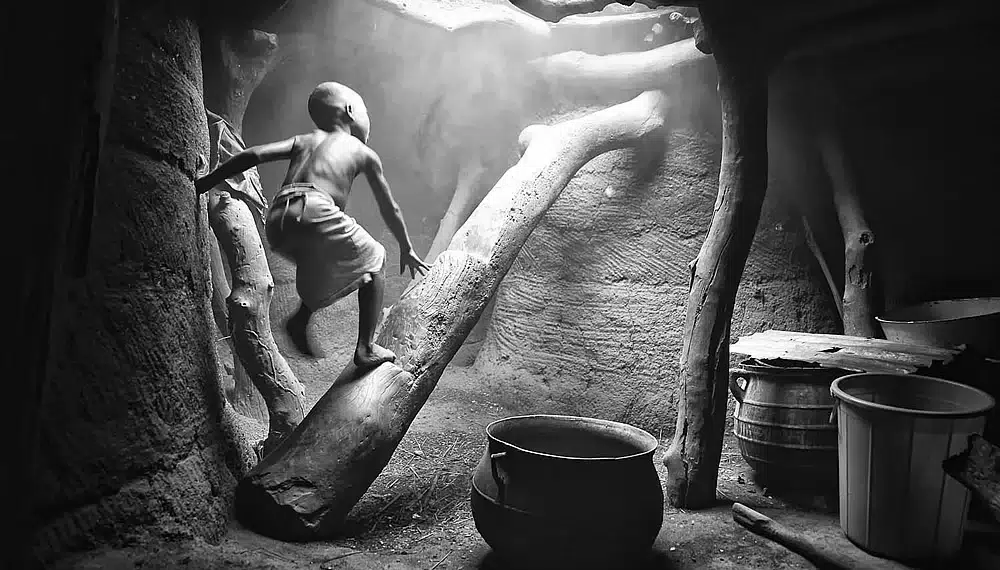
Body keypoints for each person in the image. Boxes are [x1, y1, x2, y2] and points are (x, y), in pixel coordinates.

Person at [195, 81, 431, 368]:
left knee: (322, 267)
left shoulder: (305, 140)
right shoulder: (361, 150)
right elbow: (389, 207)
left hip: (279, 218)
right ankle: (366, 347)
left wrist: (206, 182)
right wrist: (405, 248)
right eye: (367, 111)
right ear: (350, 111)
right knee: (376, 259)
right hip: (316, 210)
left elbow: (254, 154)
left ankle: (300, 319)